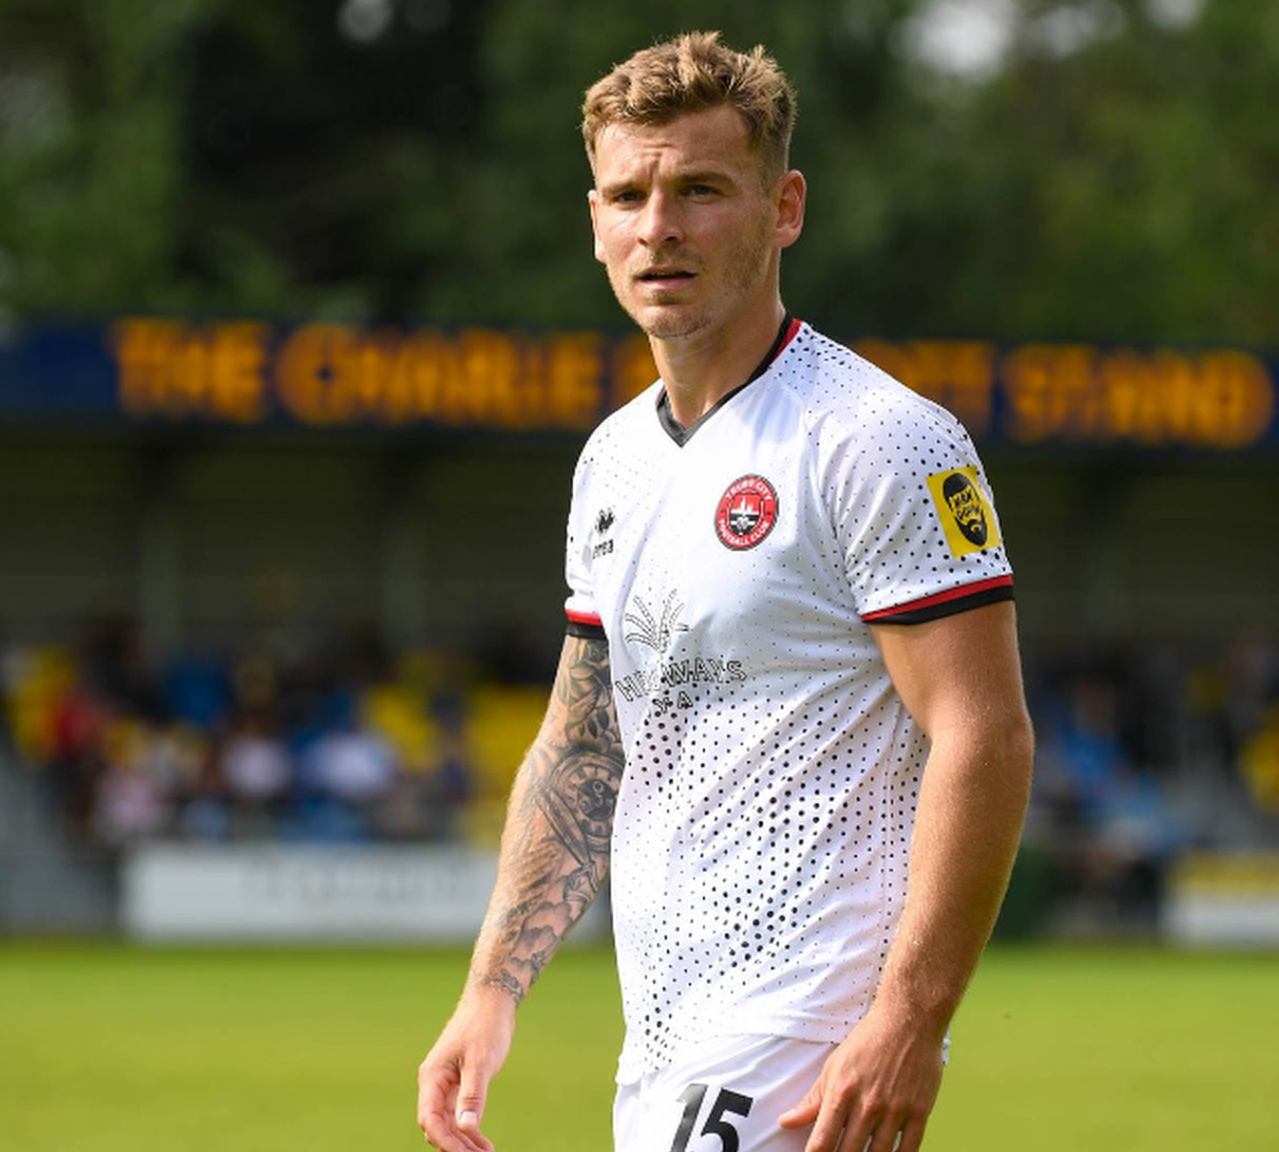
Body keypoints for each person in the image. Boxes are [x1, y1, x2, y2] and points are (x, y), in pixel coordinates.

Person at [417, 31, 1035, 1152]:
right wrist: (490, 988)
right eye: (628, 194)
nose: (659, 225)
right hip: (663, 1035)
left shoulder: (876, 440)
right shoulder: (612, 460)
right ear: (594, 220)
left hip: (807, 1040)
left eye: (701, 190)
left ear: (782, 207)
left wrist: (909, 1021)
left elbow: (981, 732)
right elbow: (582, 743)